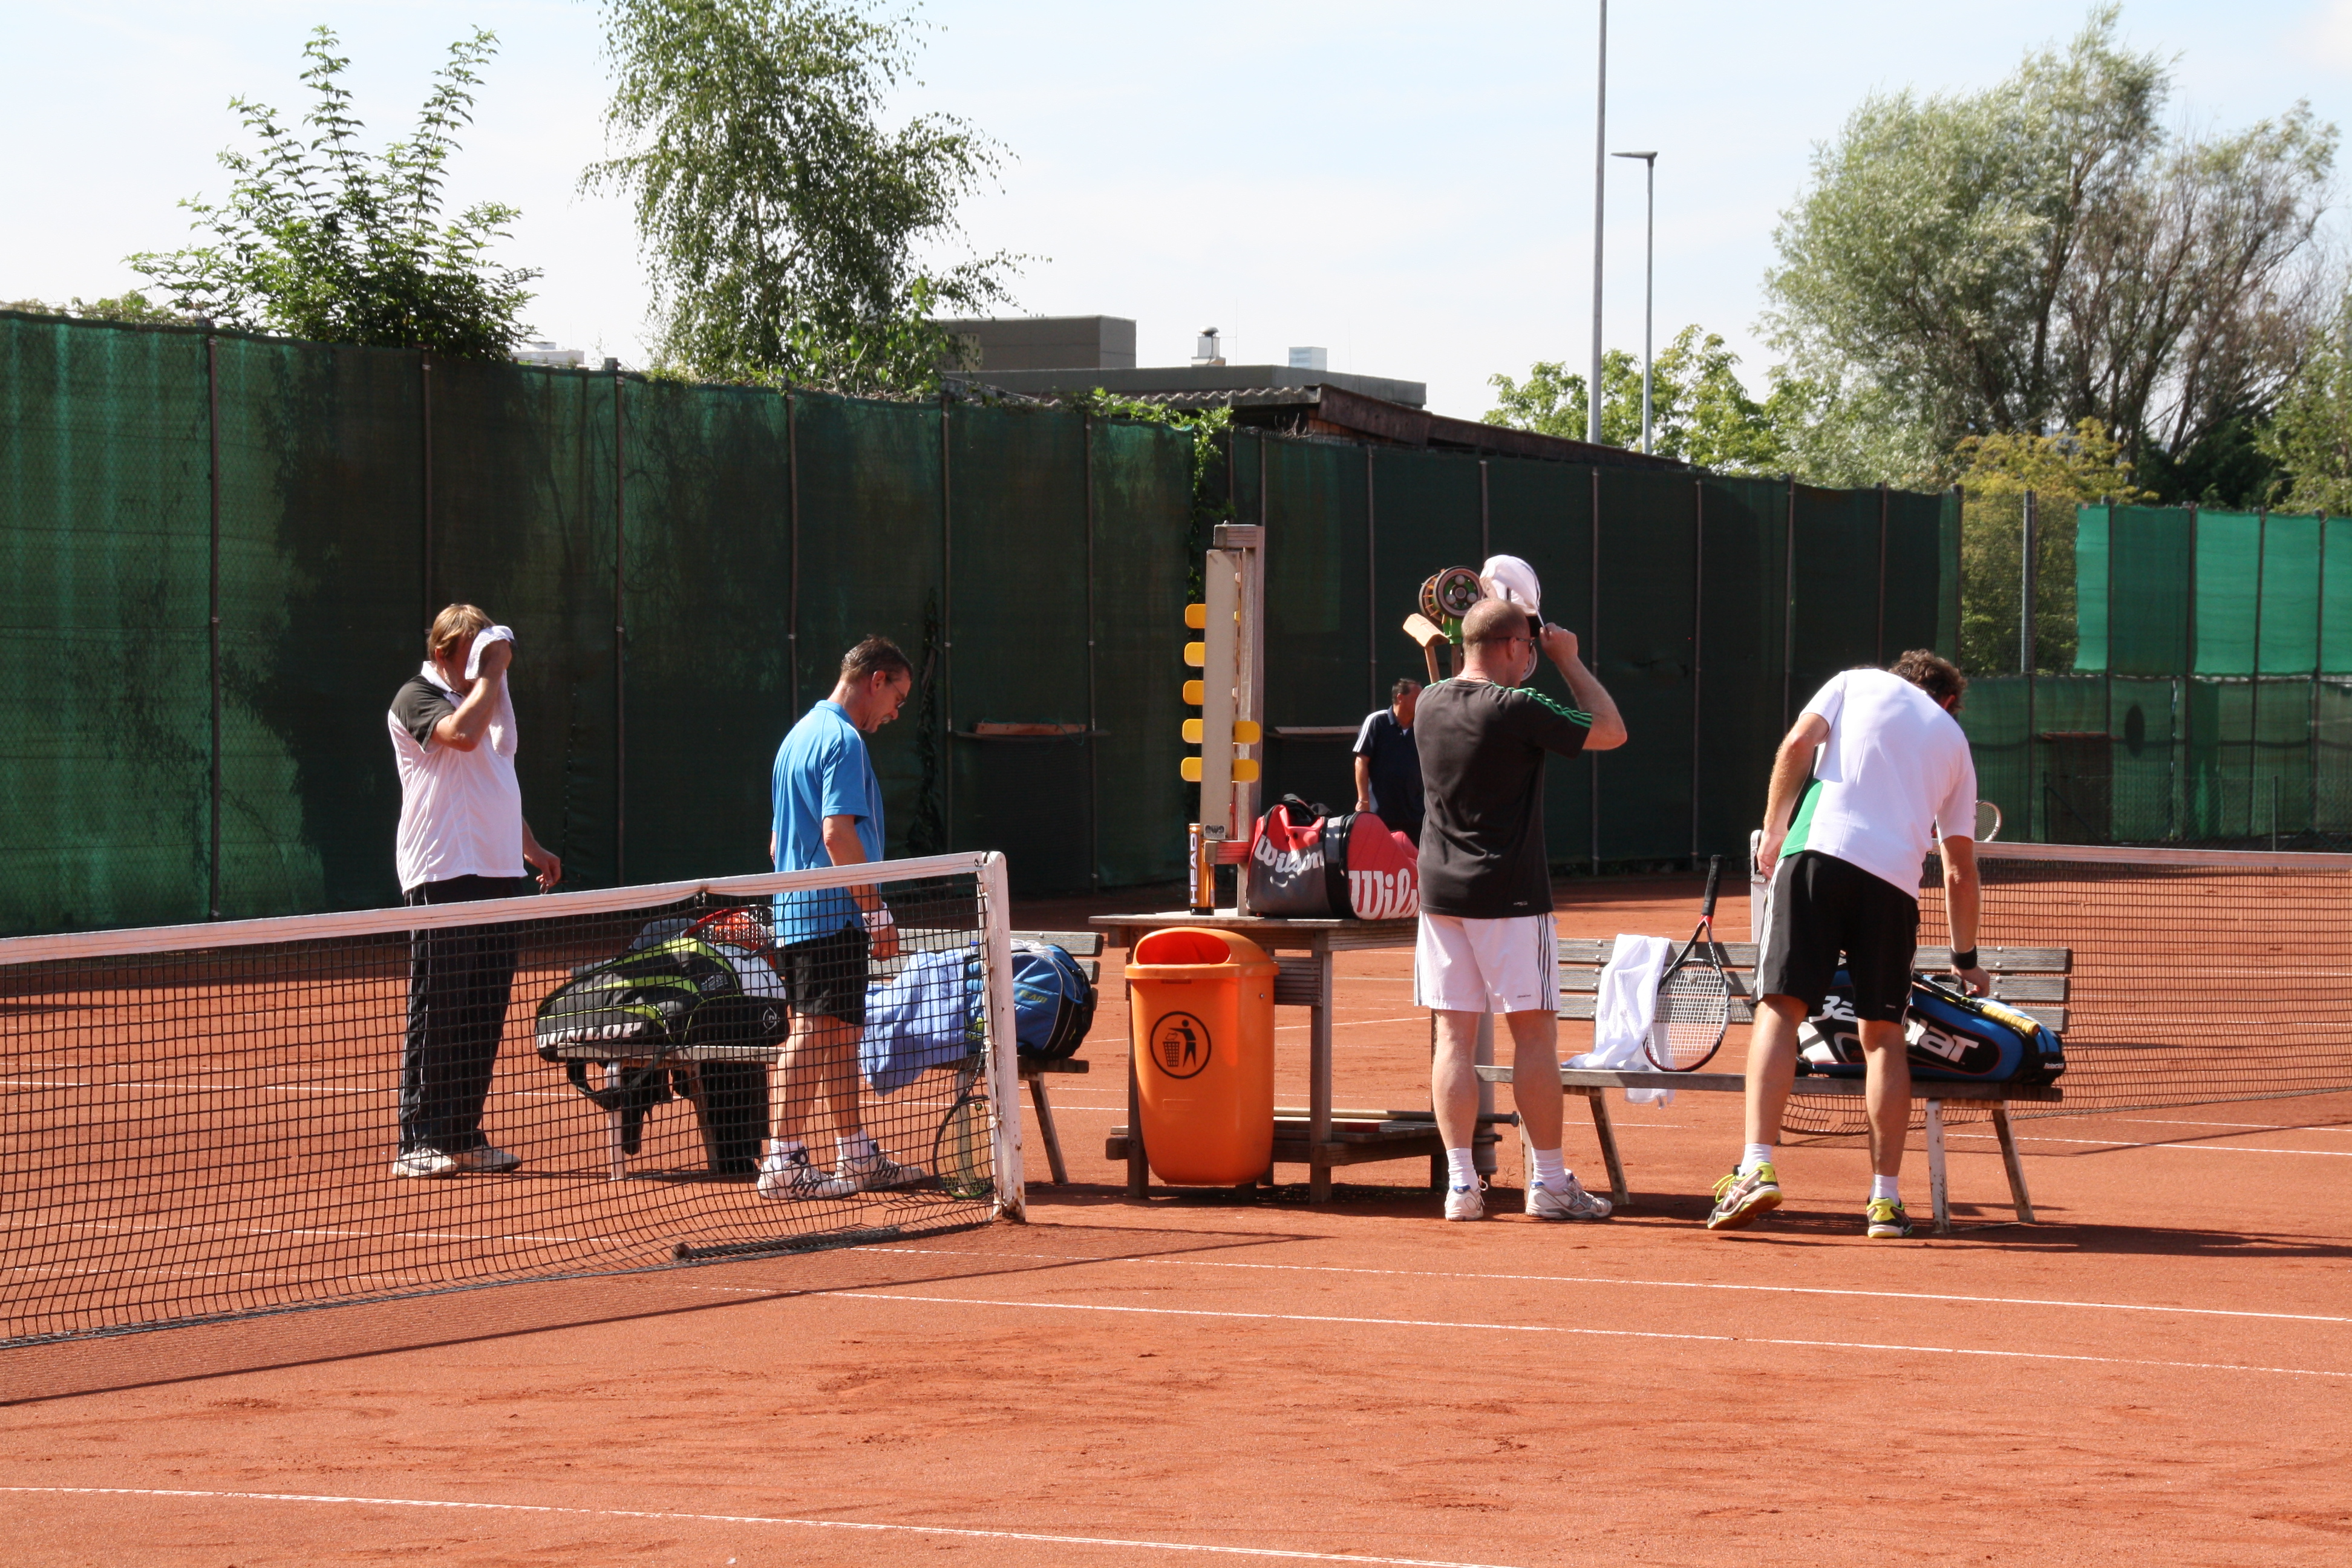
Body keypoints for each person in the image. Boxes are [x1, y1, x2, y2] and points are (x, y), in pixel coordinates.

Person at [1708, 650, 1988, 1240]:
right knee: (1884, 1036)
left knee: (1782, 1010)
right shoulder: (1955, 744)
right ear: (1949, 701)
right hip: (1893, 886)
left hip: (1817, 854)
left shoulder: (1855, 682)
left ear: (1900, 677)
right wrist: (1966, 959)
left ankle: (1757, 1165)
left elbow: (1794, 748)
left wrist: (1774, 832)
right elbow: (1960, 871)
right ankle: (1884, 1203)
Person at [1416, 596, 1628, 1221]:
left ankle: (1461, 1187)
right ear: (1512, 646)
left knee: (1454, 1036)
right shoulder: (1521, 707)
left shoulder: (1428, 703)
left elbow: (1464, 690)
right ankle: (1552, 1183)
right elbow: (1612, 731)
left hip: (1440, 897)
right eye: (1528, 648)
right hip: (1509, 896)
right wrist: (1569, 661)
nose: (1532, 657)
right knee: (1533, 1034)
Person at [386, 604, 563, 1178]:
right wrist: (491, 675)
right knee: (440, 1009)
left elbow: (493, 782)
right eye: (477, 653)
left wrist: (530, 847)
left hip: (497, 873)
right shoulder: (417, 696)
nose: (491, 664)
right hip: (442, 872)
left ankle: (461, 1133)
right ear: (444, 655)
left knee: (484, 1009)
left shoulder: (486, 702)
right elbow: (460, 738)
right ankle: (418, 1139)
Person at [757, 636, 925, 1200]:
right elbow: (836, 834)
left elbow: (779, 839)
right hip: (829, 913)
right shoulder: (845, 741)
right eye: (897, 697)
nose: (896, 712)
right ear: (876, 680)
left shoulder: (796, 737)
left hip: (810, 911)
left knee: (842, 1035)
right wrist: (875, 912)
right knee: (811, 1031)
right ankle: (782, 1162)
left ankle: (855, 1154)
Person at [1353, 678, 1424, 843]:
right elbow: (1361, 761)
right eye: (1416, 698)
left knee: (1414, 862)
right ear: (1400, 697)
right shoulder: (1377, 721)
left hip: (1415, 814)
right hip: (1380, 813)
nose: (1421, 702)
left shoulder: (1423, 726)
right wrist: (1363, 801)